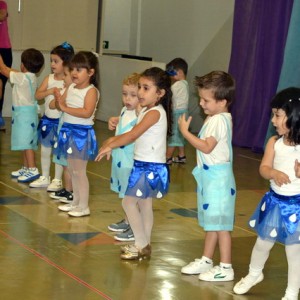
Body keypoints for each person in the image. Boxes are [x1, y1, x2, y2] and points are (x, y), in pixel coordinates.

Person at [96, 67, 172, 260]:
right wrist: (114, 127)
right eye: (140, 87)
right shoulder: (147, 110)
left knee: (128, 202)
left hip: (150, 167)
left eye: (146, 88)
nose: (140, 92)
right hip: (143, 165)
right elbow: (129, 125)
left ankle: (141, 243)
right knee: (145, 205)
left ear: (160, 93)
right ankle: (144, 243)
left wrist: (109, 144)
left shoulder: (154, 113)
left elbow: (132, 134)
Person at [233, 87, 300, 300]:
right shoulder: (274, 143)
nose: (273, 120)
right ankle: (254, 273)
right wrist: (273, 172)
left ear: (295, 116)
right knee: (262, 243)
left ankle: (291, 292)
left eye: (278, 115)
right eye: (273, 114)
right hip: (274, 202)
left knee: (294, 253)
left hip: (296, 206)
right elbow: (263, 168)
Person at [178, 71, 236, 281]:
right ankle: (206, 260)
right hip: (210, 178)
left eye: (206, 100)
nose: (201, 104)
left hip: (218, 180)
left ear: (223, 102)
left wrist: (186, 133)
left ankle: (226, 267)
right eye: (201, 98)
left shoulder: (219, 120)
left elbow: (207, 147)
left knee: (221, 226)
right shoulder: (215, 118)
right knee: (212, 223)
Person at [54, 51, 100, 217]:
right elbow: (61, 105)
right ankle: (75, 202)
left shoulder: (91, 91)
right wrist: (58, 100)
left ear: (91, 72)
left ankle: (84, 206)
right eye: (72, 69)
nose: (74, 73)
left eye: (79, 69)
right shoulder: (71, 87)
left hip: (81, 134)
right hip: (67, 130)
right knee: (72, 170)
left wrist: (64, 107)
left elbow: (86, 112)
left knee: (80, 171)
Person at [30, 42, 74, 191]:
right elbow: (37, 95)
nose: (52, 64)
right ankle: (45, 176)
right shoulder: (49, 78)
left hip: (61, 122)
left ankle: (57, 180)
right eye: (51, 61)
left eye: (56, 61)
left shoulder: (69, 82)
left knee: (59, 152)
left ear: (66, 63)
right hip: (47, 120)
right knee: (45, 149)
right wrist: (50, 91)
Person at [0, 48, 44, 182]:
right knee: (25, 142)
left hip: (25, 116)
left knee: (27, 144)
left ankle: (32, 169)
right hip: (25, 115)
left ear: (23, 65)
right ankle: (26, 167)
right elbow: (10, 70)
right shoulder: (28, 77)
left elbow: (3, 69)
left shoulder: (22, 78)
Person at [107, 72, 141, 242]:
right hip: (119, 160)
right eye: (125, 94)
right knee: (124, 194)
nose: (128, 99)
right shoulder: (123, 111)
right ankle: (128, 220)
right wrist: (113, 120)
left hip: (130, 161)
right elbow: (121, 125)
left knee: (132, 197)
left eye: (133, 95)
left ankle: (135, 227)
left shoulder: (140, 115)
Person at [48, 61, 74, 204]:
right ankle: (67, 188)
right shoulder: (66, 91)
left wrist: (62, 98)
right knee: (64, 164)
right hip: (62, 131)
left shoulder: (74, 93)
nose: (63, 78)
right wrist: (59, 97)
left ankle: (71, 190)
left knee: (69, 165)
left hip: (70, 132)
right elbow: (52, 105)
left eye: (66, 75)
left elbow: (63, 106)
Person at [165, 58, 189, 165]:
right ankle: (181, 156)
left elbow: (168, 95)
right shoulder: (185, 84)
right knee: (180, 135)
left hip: (177, 113)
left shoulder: (177, 85)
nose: (170, 76)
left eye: (171, 72)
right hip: (183, 113)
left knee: (173, 136)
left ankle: (167, 158)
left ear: (178, 72)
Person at [0, 0, 12, 131]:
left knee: (1, 83)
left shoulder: (2, 4)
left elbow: (2, 15)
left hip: (3, 49)